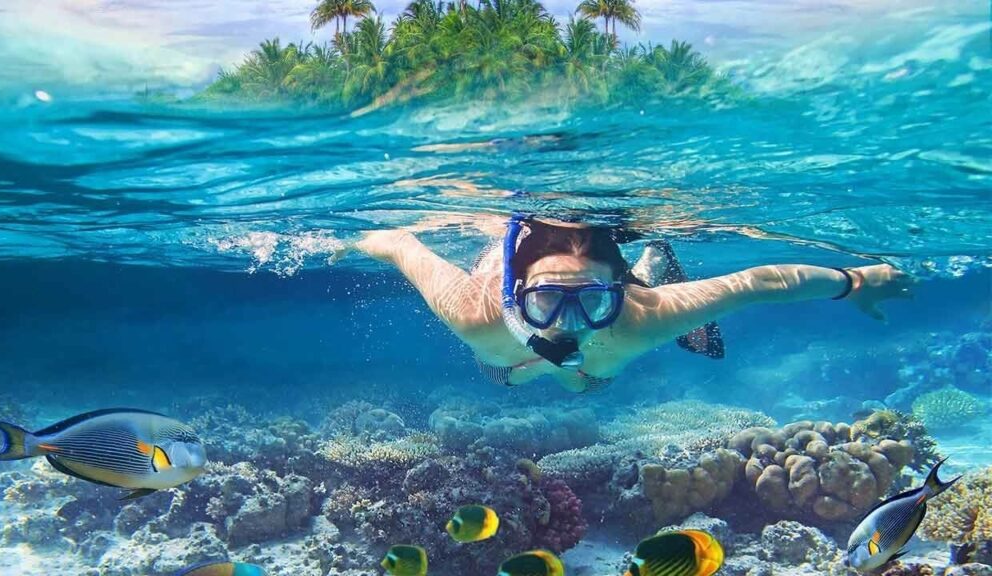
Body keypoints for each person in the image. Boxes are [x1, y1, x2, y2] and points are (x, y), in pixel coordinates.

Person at [342, 217, 914, 393]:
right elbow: (397, 242)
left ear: (616, 294)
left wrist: (856, 281)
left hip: (614, 328)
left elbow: (760, 280)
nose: (568, 323)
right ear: (517, 295)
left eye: (592, 300)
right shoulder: (473, 310)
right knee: (504, 375)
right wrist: (336, 241)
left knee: (586, 382)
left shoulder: (642, 317)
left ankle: (649, 263)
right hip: (508, 356)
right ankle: (642, 267)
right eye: (545, 299)